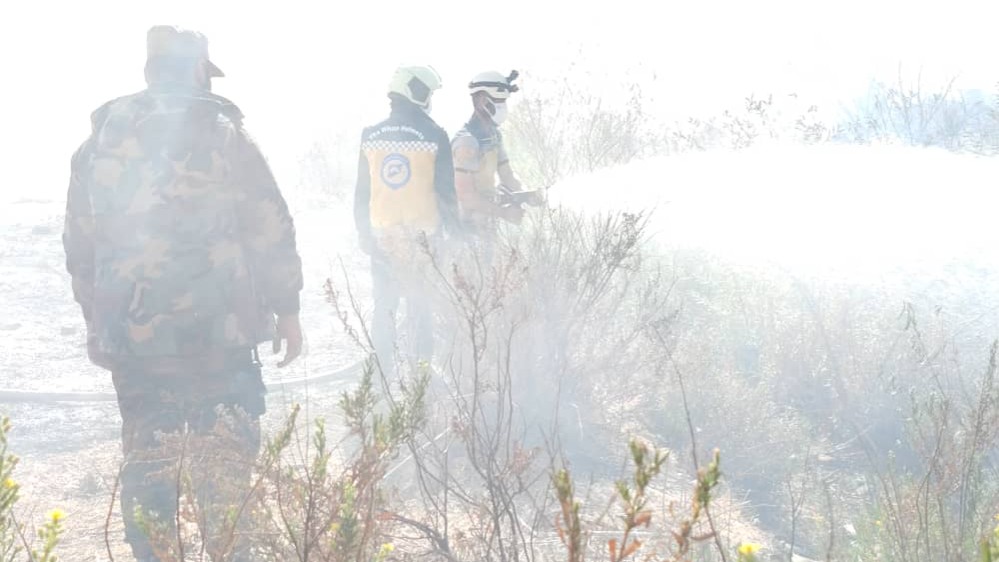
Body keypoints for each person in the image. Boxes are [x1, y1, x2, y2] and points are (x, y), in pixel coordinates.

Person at [62, 25, 304, 562]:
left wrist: (100, 321)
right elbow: (269, 225)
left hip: (136, 336)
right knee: (225, 465)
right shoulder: (224, 134)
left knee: (149, 462)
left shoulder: (97, 142)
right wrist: (287, 308)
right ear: (198, 69)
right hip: (219, 336)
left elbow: (79, 245)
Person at [354, 65, 459, 371]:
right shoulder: (435, 135)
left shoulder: (370, 135)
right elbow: (446, 193)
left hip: (381, 239)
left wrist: (363, 233)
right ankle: (421, 376)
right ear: (418, 92)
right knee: (420, 309)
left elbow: (362, 191)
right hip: (422, 241)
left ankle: (380, 378)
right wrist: (456, 233)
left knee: (384, 308)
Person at [451, 69, 542, 260]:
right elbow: (466, 197)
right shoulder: (467, 142)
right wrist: (504, 213)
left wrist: (526, 195)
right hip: (468, 234)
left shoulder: (494, 135)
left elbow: (507, 175)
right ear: (482, 102)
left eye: (504, 102)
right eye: (498, 102)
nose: (503, 107)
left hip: (487, 228)